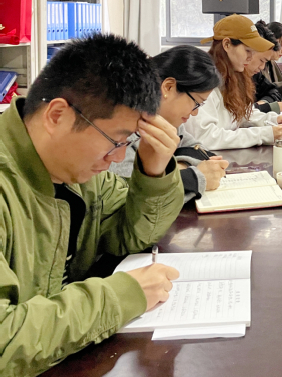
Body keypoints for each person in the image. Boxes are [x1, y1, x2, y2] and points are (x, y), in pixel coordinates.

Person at [0, 34, 184, 375]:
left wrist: (153, 170)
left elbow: (131, 235)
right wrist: (122, 296)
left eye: (127, 142)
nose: (118, 158)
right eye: (115, 141)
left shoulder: (79, 173)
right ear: (57, 115)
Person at [110, 45, 228, 203]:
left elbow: (199, 151)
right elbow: (131, 195)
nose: (195, 113)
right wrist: (193, 177)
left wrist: (172, 169)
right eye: (196, 103)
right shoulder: (124, 123)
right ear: (168, 87)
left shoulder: (168, 120)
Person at [185, 15, 282, 150]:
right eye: (247, 51)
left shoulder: (232, 77)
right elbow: (206, 137)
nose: (250, 57)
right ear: (227, 44)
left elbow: (240, 114)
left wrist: (270, 120)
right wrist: (261, 134)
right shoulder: (204, 80)